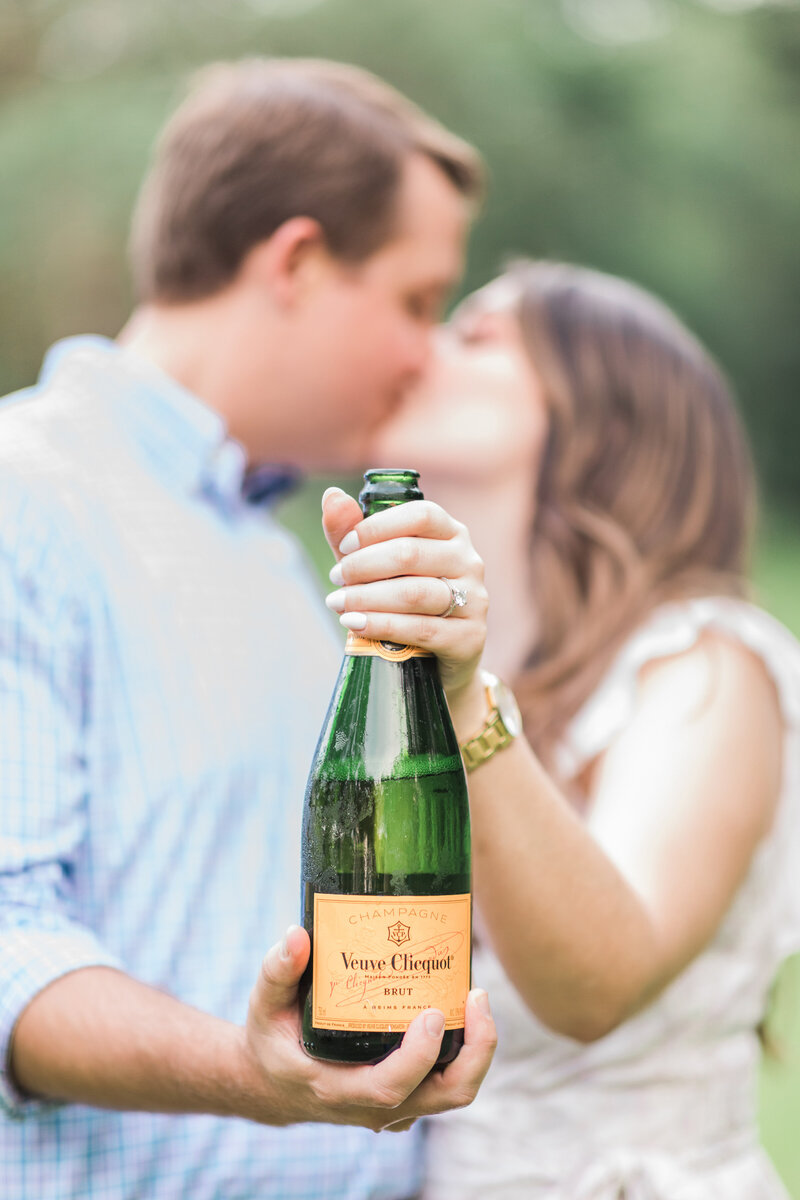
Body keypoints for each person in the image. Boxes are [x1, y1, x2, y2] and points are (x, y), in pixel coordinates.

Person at [0, 58, 497, 1200]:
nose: (431, 353)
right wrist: (248, 1070)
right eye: (416, 301)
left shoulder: (284, 565)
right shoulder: (23, 502)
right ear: (297, 262)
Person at [322, 260, 800, 1197]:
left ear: (606, 416)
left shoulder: (710, 665)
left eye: (478, 335)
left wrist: (467, 702)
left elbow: (594, 985)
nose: (420, 346)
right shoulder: (413, 687)